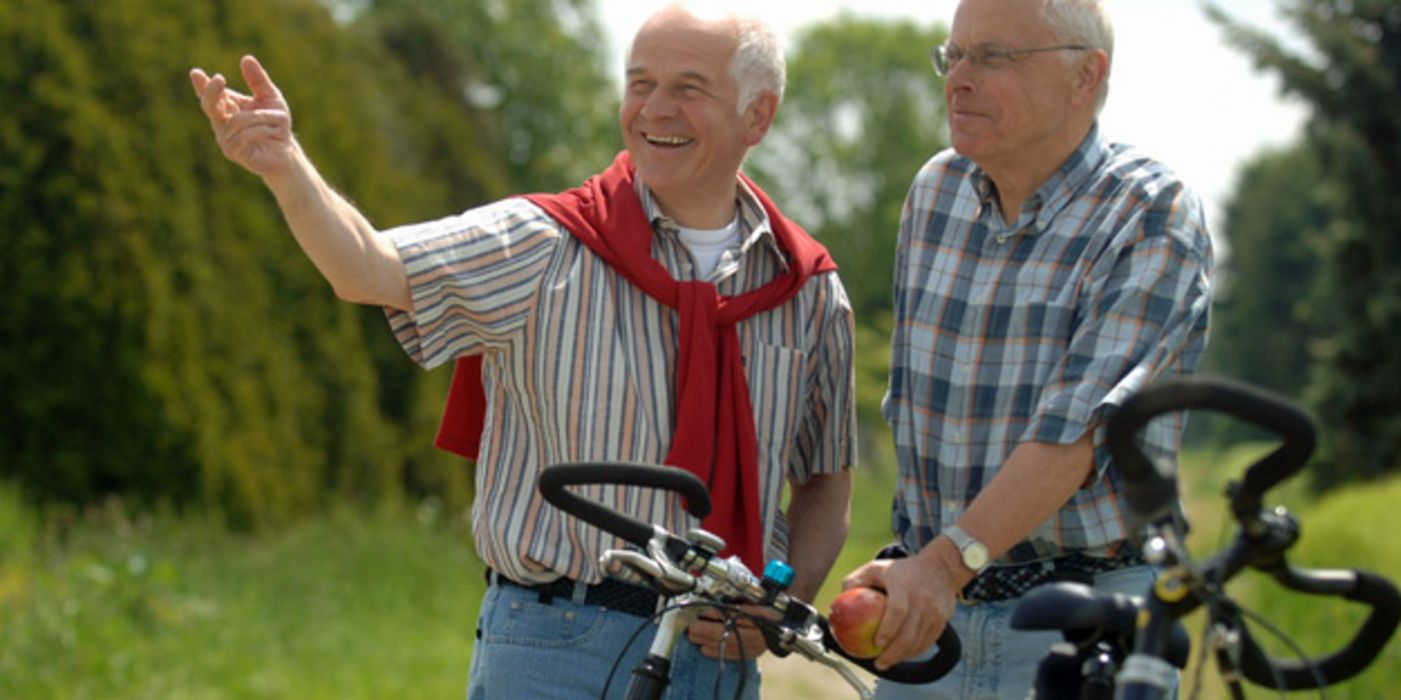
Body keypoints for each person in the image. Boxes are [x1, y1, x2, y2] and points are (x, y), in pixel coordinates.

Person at [190, 4, 856, 699]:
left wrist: (781, 606)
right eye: (639, 83)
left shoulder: (805, 289)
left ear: (758, 115)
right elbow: (367, 268)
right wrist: (284, 165)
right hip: (554, 644)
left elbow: (824, 479)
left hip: (716, 660)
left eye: (689, 87)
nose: (656, 109)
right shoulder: (542, 244)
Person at [839, 0, 1212, 698]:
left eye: (993, 57)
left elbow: (1074, 433)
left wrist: (945, 567)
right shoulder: (935, 193)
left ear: (1084, 76)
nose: (958, 78)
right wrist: (931, 573)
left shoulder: (1148, 212)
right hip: (931, 616)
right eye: (953, 56)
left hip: (1081, 621)